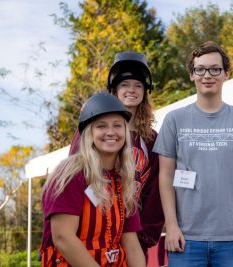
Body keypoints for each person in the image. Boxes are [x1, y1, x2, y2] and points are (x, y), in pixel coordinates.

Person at [153, 41, 233, 266]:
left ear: (226, 74)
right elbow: (165, 177)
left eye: (215, 69)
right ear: (192, 75)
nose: (208, 75)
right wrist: (171, 226)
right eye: (200, 69)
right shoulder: (174, 120)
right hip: (185, 239)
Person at [69, 51, 164, 256]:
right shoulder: (92, 129)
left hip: (132, 233)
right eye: (125, 85)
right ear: (114, 90)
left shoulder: (151, 139)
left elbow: (155, 192)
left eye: (138, 85)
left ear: (145, 91)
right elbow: (75, 176)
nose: (131, 90)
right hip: (92, 229)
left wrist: (143, 237)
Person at [40, 93, 146, 266]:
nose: (110, 132)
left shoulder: (124, 180)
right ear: (89, 133)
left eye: (117, 126)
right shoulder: (71, 174)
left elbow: (132, 245)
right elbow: (63, 237)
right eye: (101, 126)